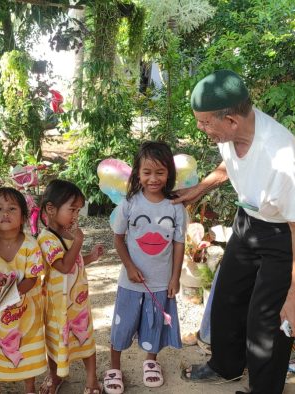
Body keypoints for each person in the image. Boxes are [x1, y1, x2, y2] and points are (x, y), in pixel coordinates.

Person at [176, 70, 295, 394]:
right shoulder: (231, 134)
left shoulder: (281, 159)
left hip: (289, 232)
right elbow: (228, 165)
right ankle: (226, 366)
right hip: (252, 219)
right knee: (227, 296)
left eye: (204, 123)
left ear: (231, 120)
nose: (201, 129)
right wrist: (199, 189)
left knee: (267, 321)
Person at [104, 142, 187, 393]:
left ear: (169, 173)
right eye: (147, 172)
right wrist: (129, 266)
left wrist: (175, 277)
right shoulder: (129, 204)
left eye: (160, 172)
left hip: (161, 282)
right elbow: (118, 238)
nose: (153, 178)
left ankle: (151, 362)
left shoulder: (176, 207)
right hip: (131, 282)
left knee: (154, 325)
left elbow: (179, 243)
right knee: (123, 325)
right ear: (137, 173)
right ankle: (114, 367)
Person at [36, 179, 105, 394]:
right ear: (51, 209)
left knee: (86, 340)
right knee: (55, 342)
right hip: (57, 305)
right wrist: (78, 241)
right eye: (72, 210)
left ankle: (91, 380)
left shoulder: (68, 233)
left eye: (78, 211)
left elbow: (74, 260)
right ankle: (55, 376)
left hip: (78, 302)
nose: (76, 216)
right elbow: (63, 266)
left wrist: (90, 257)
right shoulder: (46, 239)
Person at [0, 187, 47, 394]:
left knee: (27, 347)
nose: (5, 213)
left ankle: (30, 387)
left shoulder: (30, 245)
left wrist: (11, 291)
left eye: (12, 209)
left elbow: (33, 278)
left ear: (24, 217)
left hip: (26, 313)